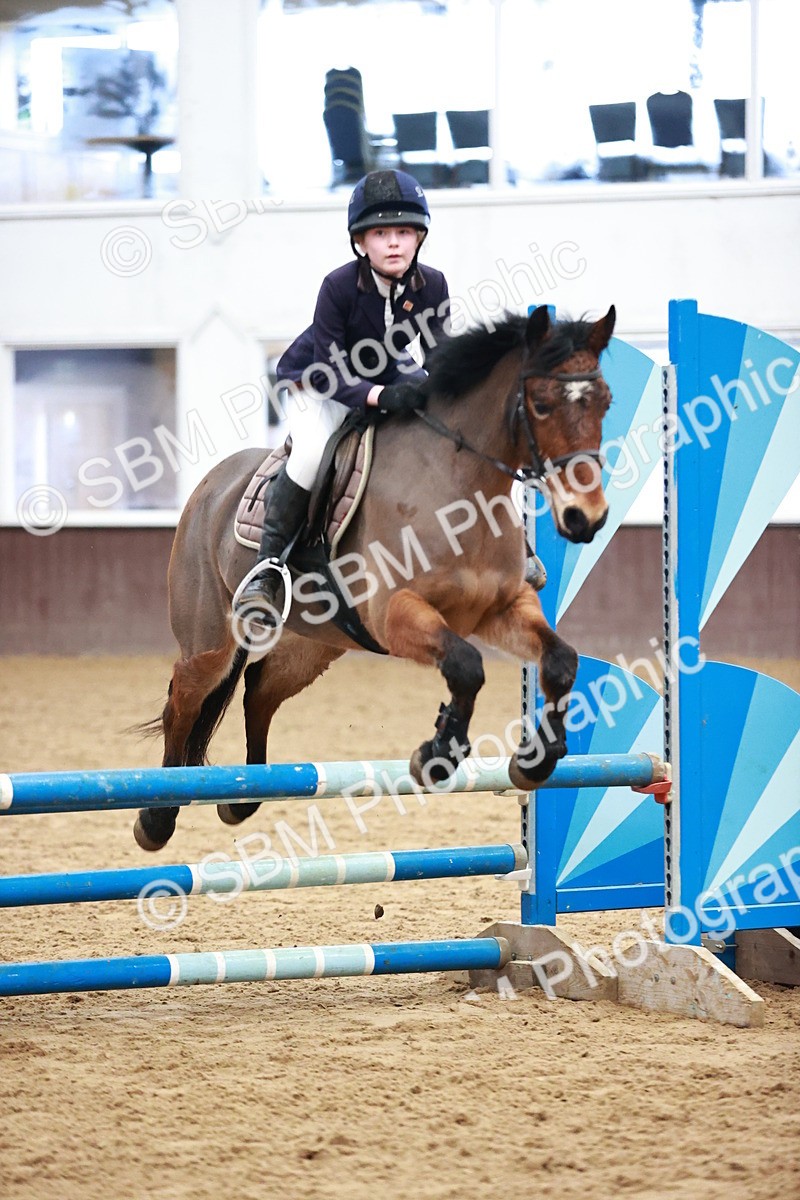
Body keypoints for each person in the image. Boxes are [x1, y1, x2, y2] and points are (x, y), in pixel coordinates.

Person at [233, 168, 450, 625]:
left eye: (404, 232)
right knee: (312, 451)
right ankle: (268, 568)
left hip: (386, 377)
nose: (394, 243)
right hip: (317, 382)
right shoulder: (337, 286)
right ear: (361, 242)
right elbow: (331, 370)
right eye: (381, 233)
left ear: (419, 238)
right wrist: (379, 397)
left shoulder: (431, 285)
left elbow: (439, 354)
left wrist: (461, 393)